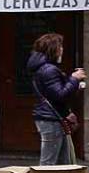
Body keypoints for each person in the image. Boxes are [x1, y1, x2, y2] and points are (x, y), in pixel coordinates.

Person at [27, 32, 86, 166]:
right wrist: (74, 79)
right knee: (49, 162)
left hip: (54, 117)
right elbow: (59, 95)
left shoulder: (44, 69)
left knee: (63, 161)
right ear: (53, 49)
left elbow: (53, 96)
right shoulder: (49, 70)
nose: (62, 50)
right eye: (60, 46)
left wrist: (67, 113)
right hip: (50, 120)